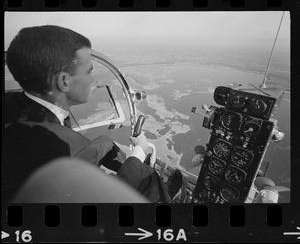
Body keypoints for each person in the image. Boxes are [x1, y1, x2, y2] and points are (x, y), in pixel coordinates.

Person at [4, 25, 182, 204]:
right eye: (88, 71)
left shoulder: (10, 100)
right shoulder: (69, 149)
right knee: (143, 174)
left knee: (105, 143)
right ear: (64, 81)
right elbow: (110, 196)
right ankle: (162, 194)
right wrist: (139, 153)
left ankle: (136, 166)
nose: (92, 79)